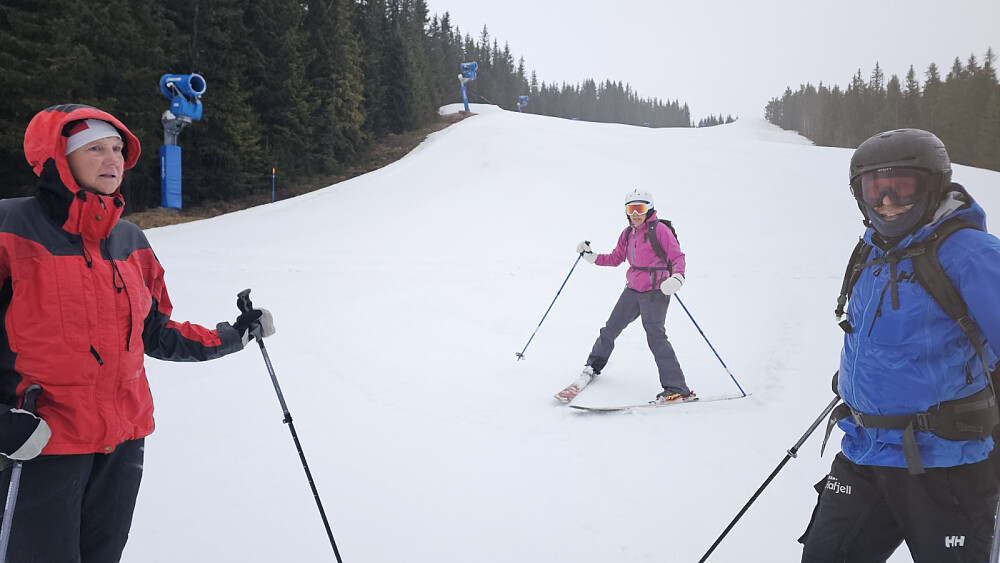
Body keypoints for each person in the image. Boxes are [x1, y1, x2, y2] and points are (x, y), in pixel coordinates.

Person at [0, 104, 276, 563]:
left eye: (116, 149)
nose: (112, 160)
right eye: (94, 149)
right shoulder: (11, 227)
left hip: (122, 441)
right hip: (38, 442)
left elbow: (155, 331)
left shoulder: (129, 241)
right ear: (58, 158)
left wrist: (233, 336)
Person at [799, 129, 1000, 562]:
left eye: (901, 187)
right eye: (874, 189)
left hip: (944, 461)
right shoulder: (872, 250)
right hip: (865, 449)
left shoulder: (971, 254)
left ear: (933, 185)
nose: (886, 202)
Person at [574, 188, 694, 403]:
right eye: (631, 209)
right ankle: (593, 366)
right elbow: (615, 258)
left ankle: (677, 388)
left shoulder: (660, 231)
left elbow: (677, 257)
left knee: (656, 336)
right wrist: (591, 257)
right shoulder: (628, 233)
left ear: (649, 209)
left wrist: (677, 277)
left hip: (656, 290)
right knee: (611, 328)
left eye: (640, 208)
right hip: (633, 289)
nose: (636, 214)